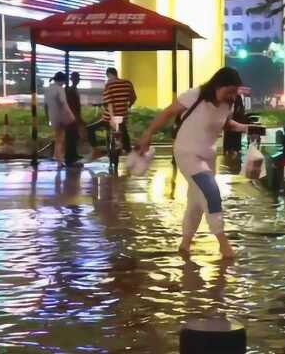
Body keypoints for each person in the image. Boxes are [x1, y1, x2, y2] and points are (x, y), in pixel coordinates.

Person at [138, 67, 255, 258]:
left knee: (196, 201)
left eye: (235, 92)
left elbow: (226, 124)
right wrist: (148, 134)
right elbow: (167, 113)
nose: (232, 96)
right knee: (211, 192)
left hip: (208, 156)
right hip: (187, 153)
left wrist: (248, 128)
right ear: (218, 85)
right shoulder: (195, 95)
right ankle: (224, 244)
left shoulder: (228, 104)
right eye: (229, 91)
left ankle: (185, 244)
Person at [86, 67, 137, 159]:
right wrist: (127, 107)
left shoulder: (109, 84)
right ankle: (129, 153)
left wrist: (112, 118)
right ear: (116, 73)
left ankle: (95, 151)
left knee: (90, 129)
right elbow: (133, 98)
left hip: (109, 118)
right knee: (124, 134)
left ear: (109, 75)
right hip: (122, 118)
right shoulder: (127, 83)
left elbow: (109, 103)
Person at [44, 72, 76, 166]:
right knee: (61, 138)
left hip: (52, 116)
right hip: (61, 116)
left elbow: (46, 105)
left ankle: (56, 156)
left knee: (57, 137)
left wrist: (47, 117)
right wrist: (71, 115)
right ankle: (59, 160)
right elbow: (63, 103)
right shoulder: (59, 89)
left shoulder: (48, 89)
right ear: (61, 80)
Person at [65, 72, 86, 167]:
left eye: (78, 77)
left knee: (74, 137)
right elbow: (72, 106)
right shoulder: (71, 90)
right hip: (71, 118)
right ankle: (70, 157)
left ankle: (73, 155)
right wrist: (78, 118)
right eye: (76, 78)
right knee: (71, 137)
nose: (78, 79)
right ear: (72, 79)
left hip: (73, 118)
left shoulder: (74, 90)